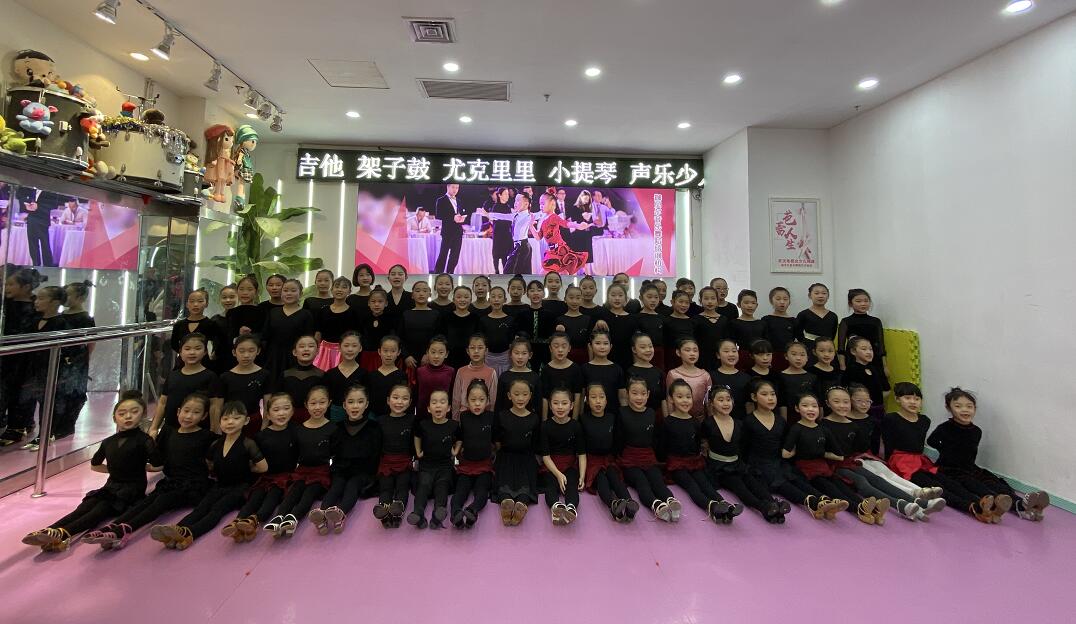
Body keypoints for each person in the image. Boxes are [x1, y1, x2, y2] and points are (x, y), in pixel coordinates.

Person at [22, 392, 162, 552]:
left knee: (100, 510)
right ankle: (51, 529)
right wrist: (117, 469)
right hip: (111, 487)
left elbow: (159, 463)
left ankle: (64, 533)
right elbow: (95, 465)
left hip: (131, 491)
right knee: (84, 507)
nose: (128, 416)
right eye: (122, 413)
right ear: (114, 418)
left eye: (134, 412)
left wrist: (143, 467)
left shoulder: (145, 440)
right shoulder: (108, 441)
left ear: (143, 414)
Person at [87, 394, 217, 548]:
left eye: (196, 412)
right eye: (186, 411)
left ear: (204, 416)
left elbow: (216, 459)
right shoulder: (169, 432)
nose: (189, 416)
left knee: (162, 501)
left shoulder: (207, 436)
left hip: (193, 486)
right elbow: (159, 460)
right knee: (147, 501)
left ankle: (125, 529)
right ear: (178, 411)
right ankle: (113, 526)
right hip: (171, 483)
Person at [147, 402, 268, 549]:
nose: (230, 422)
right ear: (220, 422)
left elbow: (263, 467)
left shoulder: (248, 443)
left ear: (246, 421)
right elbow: (209, 463)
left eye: (236, 418)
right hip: (220, 485)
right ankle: (176, 530)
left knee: (217, 509)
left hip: (240, 488)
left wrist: (247, 468)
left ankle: (190, 533)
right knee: (201, 508)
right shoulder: (216, 444)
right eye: (225, 419)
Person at [882, 383, 1006, 523]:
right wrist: (890, 467)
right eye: (908, 398)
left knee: (949, 483)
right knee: (937, 487)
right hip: (901, 462)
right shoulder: (890, 419)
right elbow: (888, 443)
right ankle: (971, 507)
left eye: (916, 399)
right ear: (897, 399)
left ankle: (982, 503)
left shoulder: (924, 420)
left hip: (921, 460)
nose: (913, 402)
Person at [929, 387, 1049, 521]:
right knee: (977, 487)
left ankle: (1023, 504)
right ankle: (1017, 506)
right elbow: (931, 441)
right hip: (950, 470)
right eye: (958, 406)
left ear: (975, 409)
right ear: (949, 408)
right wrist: (946, 450)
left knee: (994, 482)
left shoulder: (976, 431)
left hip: (970, 468)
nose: (964, 410)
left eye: (969, 406)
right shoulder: (945, 428)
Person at [823, 386, 936, 522]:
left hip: (850, 462)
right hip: (833, 466)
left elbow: (860, 447)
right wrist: (835, 456)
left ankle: (919, 503)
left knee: (877, 478)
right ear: (828, 403)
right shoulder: (823, 424)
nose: (842, 405)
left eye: (845, 402)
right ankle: (901, 505)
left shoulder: (853, 425)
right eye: (837, 401)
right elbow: (819, 450)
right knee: (862, 482)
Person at [741, 379, 844, 519]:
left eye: (773, 394)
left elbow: (786, 445)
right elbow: (744, 447)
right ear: (754, 397)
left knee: (796, 479)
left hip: (778, 462)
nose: (770, 398)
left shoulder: (780, 421)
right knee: (783, 484)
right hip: (758, 465)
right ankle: (812, 503)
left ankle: (823, 500)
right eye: (764, 394)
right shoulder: (748, 421)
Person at [783, 393, 884, 525]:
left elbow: (839, 455)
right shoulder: (796, 428)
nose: (810, 409)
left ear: (819, 408)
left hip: (825, 467)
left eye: (814, 406)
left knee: (842, 487)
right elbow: (785, 454)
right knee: (831, 489)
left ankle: (872, 509)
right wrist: (800, 450)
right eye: (805, 406)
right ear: (797, 408)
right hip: (807, 471)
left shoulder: (823, 429)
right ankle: (859, 509)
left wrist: (822, 453)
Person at [701, 386, 789, 523]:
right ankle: (763, 508)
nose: (725, 403)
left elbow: (742, 446)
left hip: (738, 464)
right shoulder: (707, 424)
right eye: (720, 400)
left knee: (753, 483)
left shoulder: (739, 423)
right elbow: (703, 444)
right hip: (720, 467)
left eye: (728, 399)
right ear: (712, 403)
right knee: (740, 487)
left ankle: (774, 504)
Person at [663, 380, 743, 524]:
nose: (685, 400)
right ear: (671, 399)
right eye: (680, 397)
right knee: (692, 487)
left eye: (688, 397)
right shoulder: (668, 422)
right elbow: (662, 446)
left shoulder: (695, 422)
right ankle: (711, 507)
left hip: (694, 461)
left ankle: (724, 504)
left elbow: (698, 444)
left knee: (705, 484)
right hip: (676, 465)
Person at [221, 393, 298, 543]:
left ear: (293, 411)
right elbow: (253, 461)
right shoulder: (261, 436)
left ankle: (253, 521)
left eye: (286, 408)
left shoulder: (296, 431)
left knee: (271, 500)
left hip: (285, 479)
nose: (281, 413)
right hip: (264, 478)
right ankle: (237, 522)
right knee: (254, 498)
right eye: (276, 410)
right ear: (267, 414)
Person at [263, 387, 337, 538]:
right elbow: (294, 453)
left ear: (329, 403)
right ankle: (279, 517)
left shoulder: (333, 428)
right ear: (306, 405)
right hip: (301, 471)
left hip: (321, 473)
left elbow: (335, 454)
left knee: (308, 495)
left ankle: (293, 518)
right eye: (313, 403)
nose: (317, 407)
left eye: (322, 402)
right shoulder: (298, 429)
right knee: (293, 493)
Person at [309, 385, 382, 534]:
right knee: (337, 485)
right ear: (344, 405)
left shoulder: (374, 428)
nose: (355, 406)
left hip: (363, 471)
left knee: (352, 486)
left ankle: (340, 514)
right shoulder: (337, 428)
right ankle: (322, 514)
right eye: (351, 402)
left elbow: (376, 454)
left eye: (360, 402)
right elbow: (332, 453)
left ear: (366, 404)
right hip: (341, 468)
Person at [618, 377, 682, 522]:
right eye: (634, 393)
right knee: (642, 482)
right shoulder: (622, 412)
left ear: (648, 394)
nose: (639, 397)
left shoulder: (651, 413)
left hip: (648, 457)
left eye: (642, 394)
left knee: (657, 480)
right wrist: (620, 459)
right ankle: (656, 505)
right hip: (629, 460)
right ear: (627, 394)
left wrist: (657, 457)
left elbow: (654, 439)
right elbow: (619, 439)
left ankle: (671, 501)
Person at [579, 384, 639, 522]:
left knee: (615, 478)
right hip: (592, 461)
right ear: (587, 400)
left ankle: (629, 503)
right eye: (593, 397)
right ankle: (613, 504)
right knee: (601, 480)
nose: (598, 401)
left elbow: (617, 440)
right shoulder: (583, 419)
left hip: (608, 459)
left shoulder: (611, 417)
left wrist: (614, 457)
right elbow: (581, 447)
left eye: (601, 397)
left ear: (606, 400)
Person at [150, 333, 223, 437]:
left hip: (197, 432)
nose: (192, 352)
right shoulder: (173, 375)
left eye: (198, 348)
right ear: (180, 352)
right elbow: (162, 403)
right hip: (170, 430)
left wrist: (214, 431)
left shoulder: (210, 376)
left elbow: (214, 406)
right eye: (187, 349)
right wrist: (154, 427)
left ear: (205, 352)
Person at [408, 390, 460, 529]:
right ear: (428, 408)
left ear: (448, 408)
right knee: (423, 487)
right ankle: (418, 513)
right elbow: (417, 436)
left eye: (442, 402)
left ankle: (438, 513)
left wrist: (455, 450)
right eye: (434, 402)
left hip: (445, 467)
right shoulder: (423, 425)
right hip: (426, 465)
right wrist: (418, 451)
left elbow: (460, 438)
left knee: (442, 487)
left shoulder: (453, 425)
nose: (438, 405)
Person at [494, 378, 541, 526]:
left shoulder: (534, 418)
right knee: (504, 483)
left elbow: (535, 441)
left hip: (526, 458)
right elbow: (497, 440)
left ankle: (521, 504)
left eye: (525, 394)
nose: (520, 398)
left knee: (525, 485)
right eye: (516, 394)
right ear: (509, 396)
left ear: (530, 396)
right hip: (506, 456)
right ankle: (506, 503)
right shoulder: (502, 416)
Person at [53, 280, 96, 438]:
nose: (65, 298)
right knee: (59, 392)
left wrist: (85, 359)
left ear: (80, 297)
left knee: (74, 393)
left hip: (76, 360)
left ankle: (67, 425)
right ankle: (56, 424)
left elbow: (91, 342)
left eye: (68, 295)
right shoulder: (60, 316)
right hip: (60, 358)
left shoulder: (85, 318)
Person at [539, 387, 586, 525]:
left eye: (564, 403)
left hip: (570, 465)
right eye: (556, 403)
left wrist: (582, 476)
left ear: (571, 405)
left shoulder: (576, 426)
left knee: (571, 486)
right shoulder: (545, 426)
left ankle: (571, 508)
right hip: (551, 466)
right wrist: (558, 474)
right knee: (551, 485)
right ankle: (556, 506)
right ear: (550, 405)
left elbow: (582, 454)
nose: (560, 407)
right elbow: (545, 456)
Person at [452, 379, 496, 529]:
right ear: (467, 401)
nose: (477, 404)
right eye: (473, 400)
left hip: (484, 465)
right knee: (460, 492)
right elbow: (460, 438)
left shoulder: (491, 417)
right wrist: (456, 452)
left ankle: (472, 510)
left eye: (481, 400)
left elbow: (496, 440)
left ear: (488, 400)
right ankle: (455, 513)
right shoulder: (463, 417)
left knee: (482, 492)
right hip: (466, 464)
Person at [372, 384, 415, 528]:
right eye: (395, 398)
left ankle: (398, 510)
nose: (399, 402)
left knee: (402, 486)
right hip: (386, 463)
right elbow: (377, 445)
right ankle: (383, 511)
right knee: (386, 487)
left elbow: (415, 443)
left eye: (404, 398)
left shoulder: (412, 420)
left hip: (405, 462)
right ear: (388, 400)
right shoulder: (381, 421)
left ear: (410, 402)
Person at [842, 336, 890, 453]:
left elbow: (886, 388)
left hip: (877, 409)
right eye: (864, 349)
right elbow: (845, 390)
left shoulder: (875, 368)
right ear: (853, 351)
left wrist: (877, 403)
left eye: (870, 349)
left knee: (876, 436)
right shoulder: (852, 369)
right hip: (860, 410)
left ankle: (874, 456)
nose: (868, 352)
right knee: (862, 437)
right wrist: (859, 405)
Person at [219, 335, 272, 435]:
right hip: (231, 422)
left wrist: (265, 425)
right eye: (241, 351)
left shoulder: (264, 374)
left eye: (251, 350)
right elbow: (219, 405)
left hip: (254, 421)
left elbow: (267, 404)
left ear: (258, 351)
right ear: (234, 352)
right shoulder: (225, 377)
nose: (246, 355)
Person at [261, 279, 314, 377]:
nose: (289, 293)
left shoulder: (306, 314)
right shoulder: (273, 312)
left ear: (301, 294)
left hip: (296, 357)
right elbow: (265, 336)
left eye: (293, 290)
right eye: (285, 290)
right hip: (274, 357)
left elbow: (309, 338)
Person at [272, 335, 324, 423]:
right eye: (302, 346)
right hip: (287, 418)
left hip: (313, 418)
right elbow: (276, 398)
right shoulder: (286, 374)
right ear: (294, 352)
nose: (306, 349)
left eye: (311, 346)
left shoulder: (321, 375)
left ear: (317, 352)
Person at [169, 289, 225, 370]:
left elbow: (220, 342)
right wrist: (184, 354)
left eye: (200, 301)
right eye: (192, 301)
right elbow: (174, 343)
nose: (195, 304)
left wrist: (213, 354)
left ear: (206, 304)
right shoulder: (179, 325)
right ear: (187, 304)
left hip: (204, 364)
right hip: (183, 364)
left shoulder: (211, 324)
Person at [536, 192, 590, 275]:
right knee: (564, 273)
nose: (540, 206)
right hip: (553, 250)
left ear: (552, 204)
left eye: (543, 203)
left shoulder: (553, 217)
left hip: (559, 250)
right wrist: (530, 225)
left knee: (544, 273)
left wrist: (578, 226)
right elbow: (538, 237)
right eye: (540, 204)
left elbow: (565, 223)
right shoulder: (544, 219)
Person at [837, 289, 889, 375]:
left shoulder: (876, 321)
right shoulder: (846, 321)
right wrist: (842, 365)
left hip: (873, 358)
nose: (863, 304)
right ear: (850, 304)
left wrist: (885, 366)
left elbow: (881, 345)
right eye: (858, 301)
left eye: (866, 301)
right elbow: (841, 347)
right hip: (853, 359)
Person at [313, 277, 359, 371]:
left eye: (344, 287)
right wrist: (315, 349)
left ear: (349, 291)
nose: (339, 290)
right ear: (332, 289)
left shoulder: (353, 312)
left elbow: (355, 336)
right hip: (324, 351)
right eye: (337, 286)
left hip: (344, 351)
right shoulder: (323, 310)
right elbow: (318, 333)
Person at [451, 334, 498, 419]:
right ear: (467, 351)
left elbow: (493, 401)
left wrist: (491, 419)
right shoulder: (461, 371)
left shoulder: (491, 372)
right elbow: (456, 400)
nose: (476, 351)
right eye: (472, 348)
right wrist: (455, 420)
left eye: (480, 348)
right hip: (464, 416)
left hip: (484, 416)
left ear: (486, 351)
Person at [323, 332, 366, 423]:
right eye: (346, 345)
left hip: (358, 416)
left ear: (360, 348)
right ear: (339, 347)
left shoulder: (364, 374)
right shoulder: (330, 374)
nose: (350, 349)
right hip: (335, 418)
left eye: (354, 346)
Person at [540, 332, 584, 419]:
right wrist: (544, 421)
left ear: (569, 348)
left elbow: (577, 395)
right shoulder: (546, 370)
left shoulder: (575, 369)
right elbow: (544, 398)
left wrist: (574, 420)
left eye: (564, 346)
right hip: (552, 417)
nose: (560, 350)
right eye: (556, 346)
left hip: (569, 416)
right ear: (550, 348)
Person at [583, 329, 626, 414]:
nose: (602, 347)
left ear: (611, 346)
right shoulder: (585, 368)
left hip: (613, 414)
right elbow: (582, 396)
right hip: (590, 415)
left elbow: (622, 397)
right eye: (598, 343)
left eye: (605, 343)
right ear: (590, 346)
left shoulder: (617, 369)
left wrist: (625, 416)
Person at [496, 337, 542, 416]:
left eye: (524, 353)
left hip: (530, 420)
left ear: (530, 355)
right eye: (516, 353)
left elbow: (538, 405)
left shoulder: (535, 377)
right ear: (510, 354)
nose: (520, 357)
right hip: (507, 420)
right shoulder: (504, 377)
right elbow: (499, 404)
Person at [665, 339, 710, 421]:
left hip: (700, 419)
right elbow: (669, 400)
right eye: (687, 350)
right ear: (678, 352)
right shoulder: (673, 374)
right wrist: (671, 420)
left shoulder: (705, 375)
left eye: (695, 350)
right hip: (679, 419)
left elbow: (708, 401)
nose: (692, 353)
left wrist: (711, 420)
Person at [708, 339, 752, 420]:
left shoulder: (746, 377)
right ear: (718, 355)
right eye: (726, 351)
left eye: (734, 351)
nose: (731, 354)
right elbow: (709, 403)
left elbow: (749, 404)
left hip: (741, 421)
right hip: (718, 421)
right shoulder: (710, 376)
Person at [626, 332, 665, 421]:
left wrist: (666, 419)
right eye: (643, 347)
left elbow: (663, 399)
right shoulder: (630, 372)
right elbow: (627, 398)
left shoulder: (658, 372)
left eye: (650, 346)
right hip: (635, 417)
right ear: (634, 349)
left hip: (655, 418)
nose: (648, 350)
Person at [366, 336, 408, 418]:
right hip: (373, 416)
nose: (389, 355)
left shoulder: (402, 375)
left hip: (394, 416)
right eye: (385, 351)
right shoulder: (372, 375)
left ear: (398, 352)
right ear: (379, 351)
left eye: (393, 351)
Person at [777, 341, 819, 421]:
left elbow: (817, 400)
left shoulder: (813, 377)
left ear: (807, 358)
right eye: (794, 354)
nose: (798, 358)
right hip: (790, 417)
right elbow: (782, 402)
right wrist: (784, 421)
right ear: (786, 356)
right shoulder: (781, 376)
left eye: (802, 355)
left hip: (809, 417)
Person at [16, 187, 58, 266]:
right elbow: (21, 196)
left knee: (45, 245)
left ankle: (48, 265)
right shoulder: (33, 189)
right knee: (32, 245)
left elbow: (53, 204)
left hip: (42, 221)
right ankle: (35, 264)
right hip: (31, 219)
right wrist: (27, 205)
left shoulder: (50, 190)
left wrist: (38, 206)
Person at [479, 286, 516, 377]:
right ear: (489, 300)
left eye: (500, 297)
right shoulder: (483, 320)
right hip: (488, 358)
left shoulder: (510, 320)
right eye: (493, 296)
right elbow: (481, 341)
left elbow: (511, 342)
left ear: (505, 300)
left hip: (505, 358)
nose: (496, 299)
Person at [415, 336, 454, 420]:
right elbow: (416, 393)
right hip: (423, 414)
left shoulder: (450, 371)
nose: (436, 356)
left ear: (446, 354)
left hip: (442, 414)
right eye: (433, 352)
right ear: (427, 352)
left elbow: (452, 394)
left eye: (441, 352)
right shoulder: (420, 371)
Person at [433, 183, 467, 273]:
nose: (455, 190)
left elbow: (460, 213)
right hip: (447, 231)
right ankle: (438, 274)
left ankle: (450, 273)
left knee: (455, 255)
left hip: (458, 231)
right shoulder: (441, 200)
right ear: (448, 187)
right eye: (453, 187)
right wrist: (453, 217)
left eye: (457, 188)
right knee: (443, 254)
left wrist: (461, 218)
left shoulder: (459, 200)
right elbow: (438, 215)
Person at [443, 286, 479, 370]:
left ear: (471, 300)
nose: (462, 300)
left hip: (470, 359)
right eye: (459, 297)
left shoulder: (475, 318)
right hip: (449, 359)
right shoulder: (446, 318)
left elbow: (478, 339)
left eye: (466, 297)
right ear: (453, 299)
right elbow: (442, 338)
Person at [795, 283, 838, 353]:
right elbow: (798, 333)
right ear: (810, 295)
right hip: (809, 348)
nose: (820, 296)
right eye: (816, 293)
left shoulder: (833, 316)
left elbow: (833, 335)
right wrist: (805, 344)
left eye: (824, 293)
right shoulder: (803, 314)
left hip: (828, 349)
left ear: (828, 296)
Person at [762, 287, 795, 371]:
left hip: (788, 357)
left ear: (789, 301)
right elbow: (764, 341)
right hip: (771, 356)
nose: (782, 302)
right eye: (778, 299)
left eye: (785, 299)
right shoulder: (766, 319)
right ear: (771, 301)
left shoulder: (793, 321)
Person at [635, 283, 667, 369]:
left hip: (659, 354)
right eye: (649, 297)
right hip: (642, 354)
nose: (653, 300)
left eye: (656, 297)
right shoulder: (636, 318)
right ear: (641, 298)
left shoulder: (662, 318)